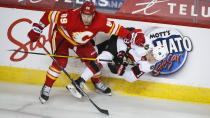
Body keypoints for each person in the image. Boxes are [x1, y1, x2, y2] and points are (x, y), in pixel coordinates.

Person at [27, 2, 145, 103]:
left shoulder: (101, 21)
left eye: (90, 16)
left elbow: (118, 29)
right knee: (60, 63)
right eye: (84, 15)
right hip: (62, 38)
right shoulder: (69, 17)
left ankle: (97, 83)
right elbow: (49, 15)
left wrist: (132, 36)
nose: (87, 19)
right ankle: (47, 87)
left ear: (94, 14)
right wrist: (37, 28)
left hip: (80, 42)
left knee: (94, 60)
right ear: (80, 13)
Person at [67, 28, 168, 98]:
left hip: (123, 56)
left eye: (155, 59)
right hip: (118, 42)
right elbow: (123, 35)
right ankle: (79, 82)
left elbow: (132, 77)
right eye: (152, 55)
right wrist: (121, 53)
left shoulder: (149, 66)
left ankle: (91, 47)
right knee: (103, 59)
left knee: (100, 57)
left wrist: (122, 72)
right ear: (152, 50)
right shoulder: (144, 42)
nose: (151, 58)